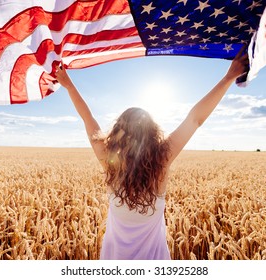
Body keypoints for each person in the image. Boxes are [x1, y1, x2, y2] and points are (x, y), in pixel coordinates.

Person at [55, 47, 249, 260]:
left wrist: (69, 85)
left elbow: (87, 117)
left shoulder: (109, 161)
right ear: (151, 134)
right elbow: (195, 119)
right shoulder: (162, 160)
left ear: (118, 132)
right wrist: (228, 77)